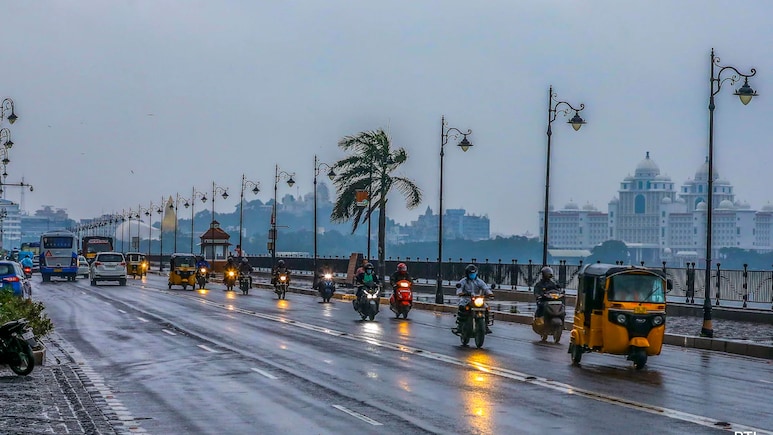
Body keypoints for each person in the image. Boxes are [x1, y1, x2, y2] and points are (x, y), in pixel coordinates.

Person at [454, 264, 494, 335]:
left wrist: (490, 294)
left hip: (477, 299)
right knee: (462, 308)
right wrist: (460, 293)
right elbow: (459, 288)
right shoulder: (463, 281)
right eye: (471, 273)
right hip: (466, 299)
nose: (472, 275)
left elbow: (485, 288)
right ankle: (460, 326)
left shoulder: (479, 281)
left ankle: (486, 325)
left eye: (474, 273)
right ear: (467, 273)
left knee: (486, 308)